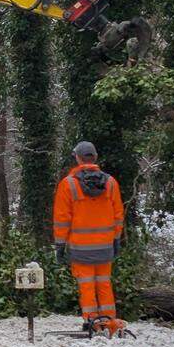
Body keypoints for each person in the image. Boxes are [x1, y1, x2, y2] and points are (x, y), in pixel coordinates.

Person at [53, 140, 126, 336]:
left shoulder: (68, 185)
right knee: (104, 283)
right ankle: (109, 322)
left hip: (80, 247)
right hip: (104, 246)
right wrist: (116, 239)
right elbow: (118, 215)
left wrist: (59, 245)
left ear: (77, 158)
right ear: (95, 158)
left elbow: (62, 219)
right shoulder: (111, 183)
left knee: (86, 285)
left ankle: (91, 322)